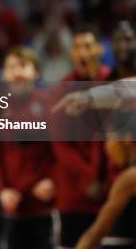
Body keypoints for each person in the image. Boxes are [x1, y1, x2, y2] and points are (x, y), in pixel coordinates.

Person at [51, 26, 111, 248]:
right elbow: (60, 146)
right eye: (77, 47)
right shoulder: (61, 90)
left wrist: (101, 179)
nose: (83, 53)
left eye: (88, 46)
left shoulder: (113, 83)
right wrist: (90, 177)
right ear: (71, 53)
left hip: (111, 189)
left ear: (99, 49)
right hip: (74, 192)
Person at [0, 48, 55, 249]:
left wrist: (53, 180)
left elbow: (59, 150)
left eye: (23, 66)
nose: (17, 72)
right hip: (13, 207)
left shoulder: (49, 103)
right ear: (3, 74)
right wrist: (2, 190)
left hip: (45, 204)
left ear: (36, 72)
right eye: (11, 67)